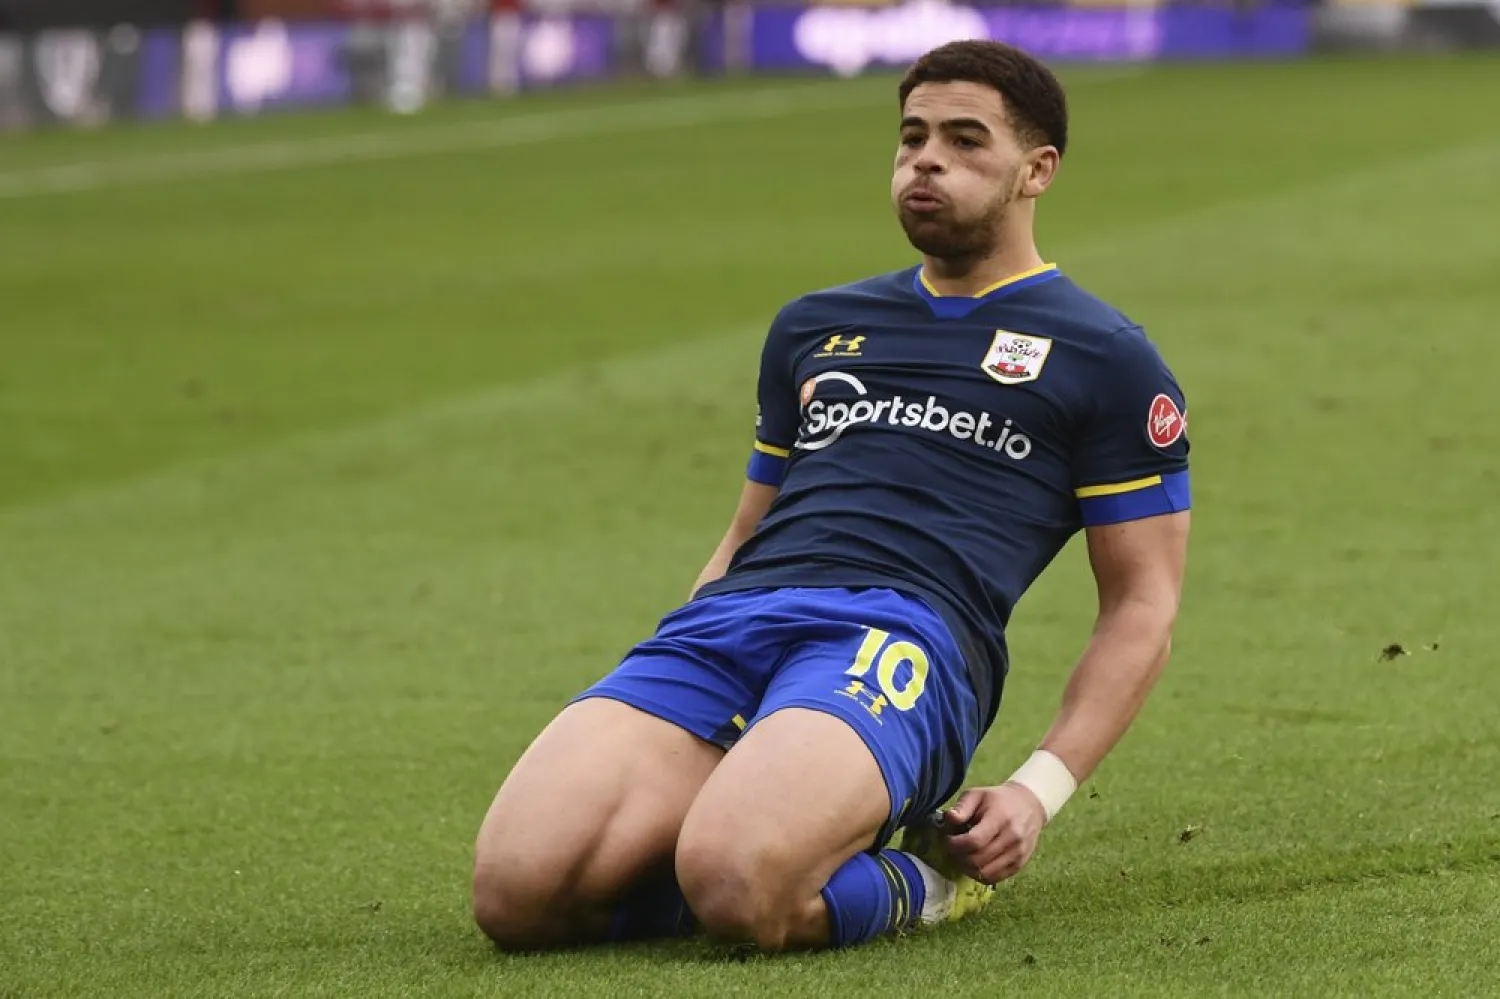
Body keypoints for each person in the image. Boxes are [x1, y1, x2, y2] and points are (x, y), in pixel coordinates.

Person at [472, 38, 1192, 954]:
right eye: (913, 137)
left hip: (904, 638)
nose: (927, 159)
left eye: (967, 141)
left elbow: (1144, 604)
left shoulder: (1107, 358)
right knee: (518, 894)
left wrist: (1036, 788)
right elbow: (749, 527)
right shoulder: (816, 326)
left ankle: (928, 881)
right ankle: (751, 826)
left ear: (1036, 170)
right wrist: (679, 643)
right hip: (730, 622)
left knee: (739, 883)